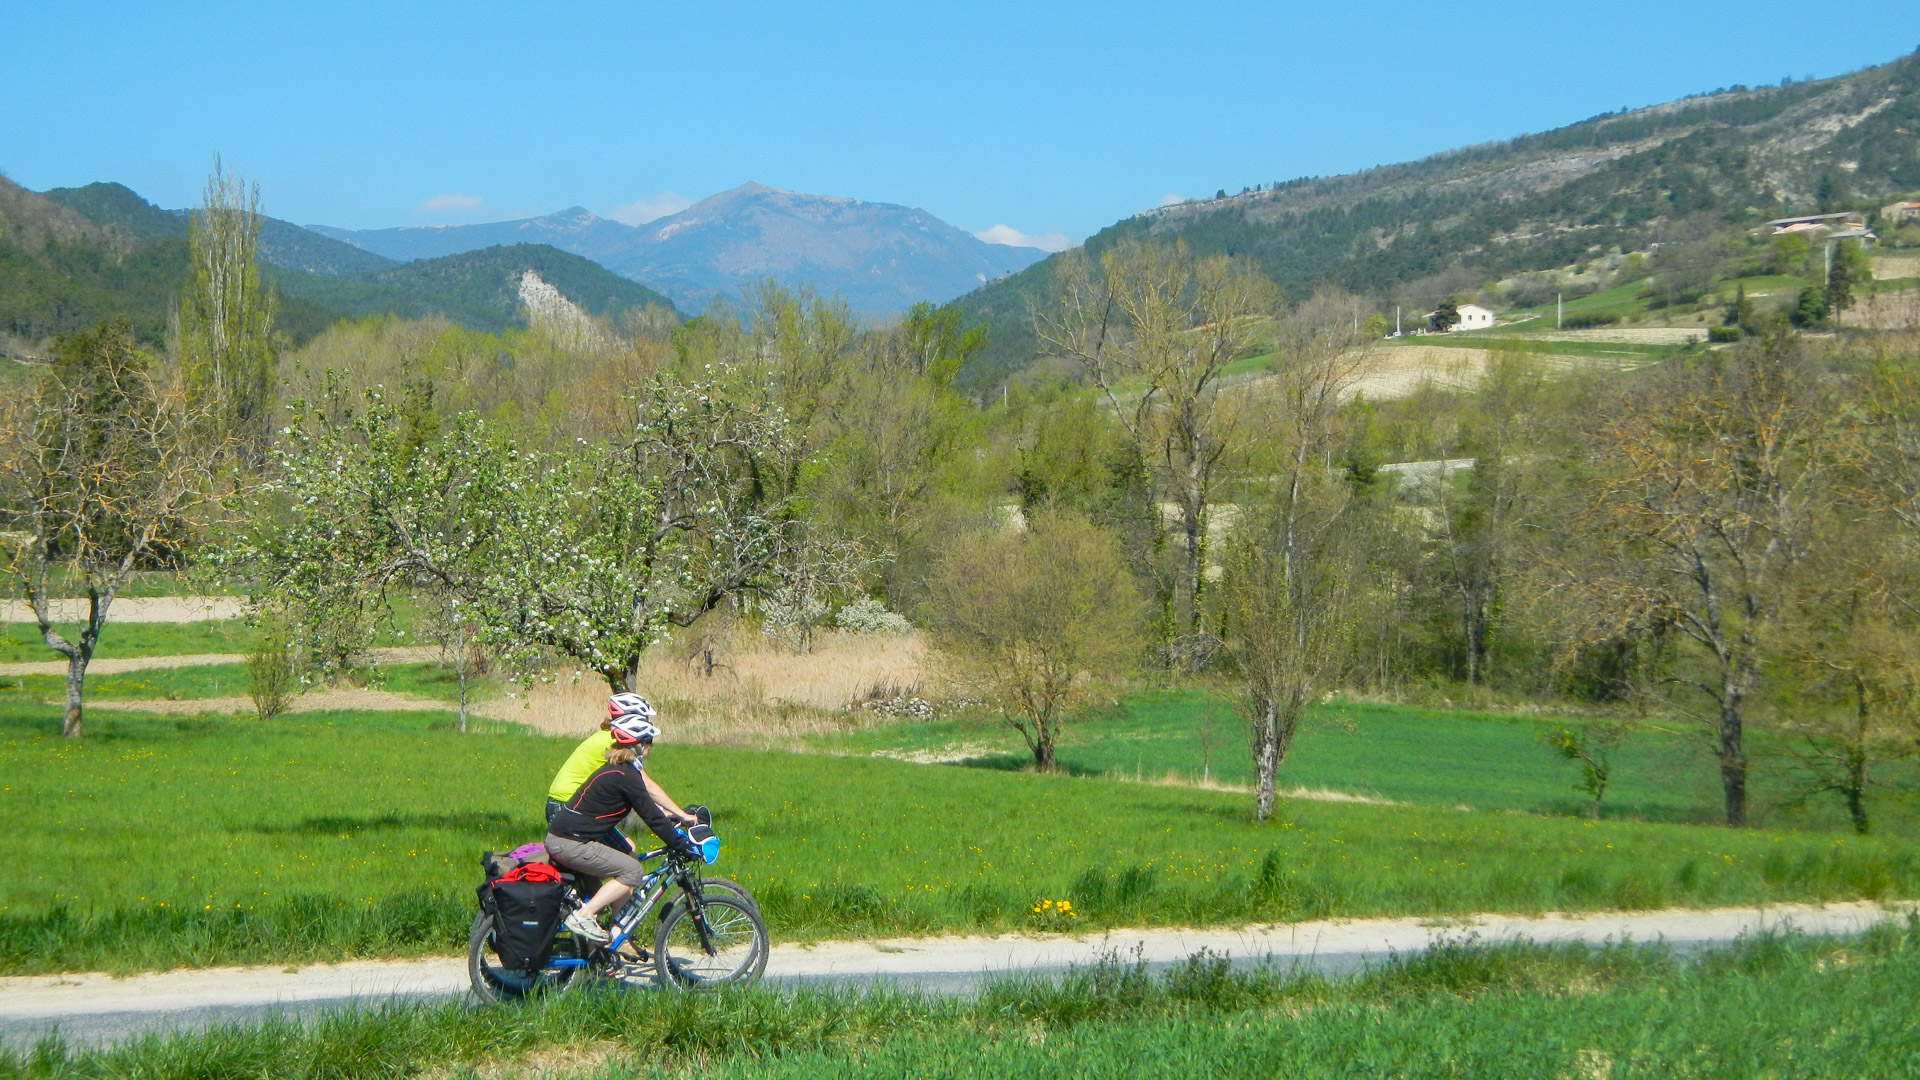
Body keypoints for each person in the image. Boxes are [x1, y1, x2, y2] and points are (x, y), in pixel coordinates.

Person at [545, 707, 700, 943]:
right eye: (649, 743)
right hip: (571, 844)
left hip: (567, 838)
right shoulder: (625, 776)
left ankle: (616, 932)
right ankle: (582, 917)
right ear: (637, 746)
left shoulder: (618, 771)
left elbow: (650, 810)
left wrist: (676, 817)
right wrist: (681, 845)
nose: (651, 748)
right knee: (632, 870)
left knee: (628, 855)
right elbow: (652, 818)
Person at [546, 693, 697, 857]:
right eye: (643, 718)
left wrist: (664, 811)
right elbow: (647, 786)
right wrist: (680, 815)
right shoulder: (614, 743)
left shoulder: (609, 736)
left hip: (567, 803)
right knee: (627, 857)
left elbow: (636, 791)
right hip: (568, 805)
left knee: (619, 856)